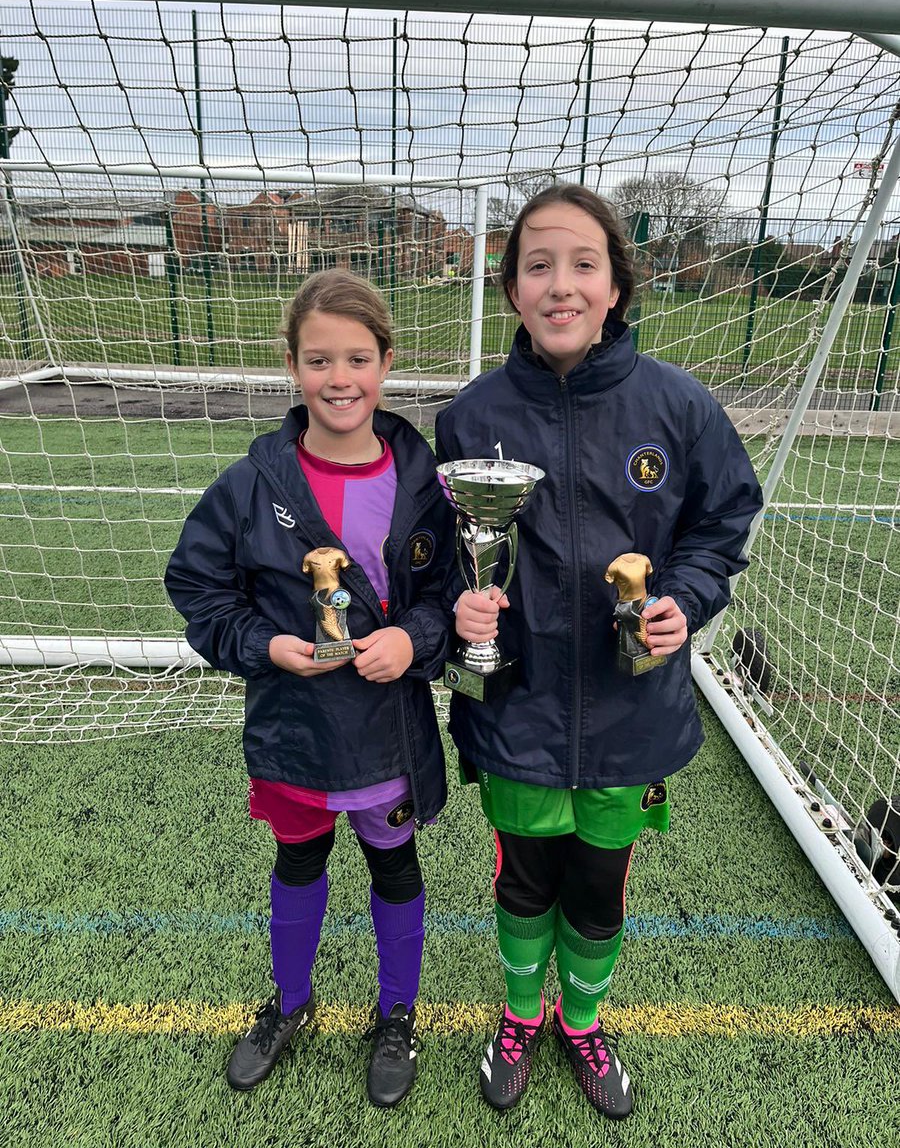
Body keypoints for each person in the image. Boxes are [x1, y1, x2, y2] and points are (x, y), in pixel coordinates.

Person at [434, 185, 762, 1119]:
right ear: (511, 291)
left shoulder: (680, 407)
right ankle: (520, 1014)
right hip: (520, 712)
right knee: (524, 876)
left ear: (617, 285)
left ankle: (580, 1020)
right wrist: (459, 616)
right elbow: (437, 557)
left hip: (631, 716)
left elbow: (723, 522)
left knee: (599, 884)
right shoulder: (470, 418)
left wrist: (684, 603)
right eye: (538, 265)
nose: (561, 284)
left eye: (583, 264)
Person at [165, 269, 455, 1107]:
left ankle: (396, 1015)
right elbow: (198, 588)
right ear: (292, 366)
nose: (340, 379)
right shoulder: (253, 484)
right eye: (320, 359)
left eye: (357, 359)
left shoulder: (424, 483)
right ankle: (291, 1004)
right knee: (297, 860)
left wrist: (413, 638)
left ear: (386, 363)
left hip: (386, 732)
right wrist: (266, 645)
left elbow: (446, 600)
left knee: (394, 868)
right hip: (295, 726)